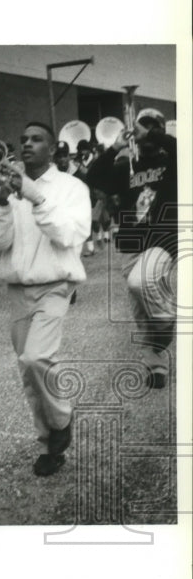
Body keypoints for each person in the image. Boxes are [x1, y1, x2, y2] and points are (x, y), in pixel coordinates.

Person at [0, 122, 90, 477]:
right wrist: (1, 199)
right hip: (18, 289)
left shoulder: (71, 187)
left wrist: (37, 198)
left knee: (37, 356)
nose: (26, 144)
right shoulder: (10, 190)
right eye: (23, 139)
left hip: (56, 285)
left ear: (53, 147)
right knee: (28, 373)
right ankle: (48, 446)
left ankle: (61, 419)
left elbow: (70, 235)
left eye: (35, 139)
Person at [86, 108, 177, 390]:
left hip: (162, 239)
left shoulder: (174, 162)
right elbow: (93, 177)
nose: (146, 132)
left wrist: (152, 135)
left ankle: (166, 321)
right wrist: (115, 147)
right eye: (142, 127)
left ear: (161, 131)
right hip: (130, 243)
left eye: (153, 127)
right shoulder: (127, 166)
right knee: (139, 306)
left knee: (142, 283)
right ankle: (156, 363)